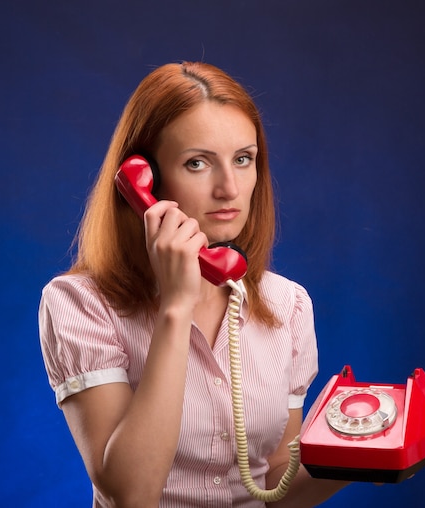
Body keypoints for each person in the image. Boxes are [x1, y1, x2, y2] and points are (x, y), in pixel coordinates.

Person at [39, 61, 348, 507]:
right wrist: (176, 308)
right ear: (142, 179)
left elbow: (276, 483)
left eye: (243, 159)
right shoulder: (79, 304)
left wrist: (368, 461)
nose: (230, 188)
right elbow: (131, 494)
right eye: (198, 163)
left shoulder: (289, 304)